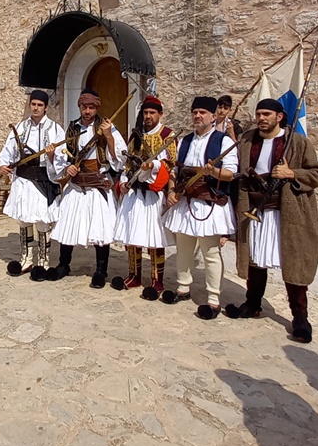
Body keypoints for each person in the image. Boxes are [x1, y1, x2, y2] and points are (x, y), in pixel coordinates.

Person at [226, 98, 318, 343]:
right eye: (259, 113)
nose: (261, 118)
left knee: (293, 263)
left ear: (279, 116)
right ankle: (253, 304)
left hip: (287, 213)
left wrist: (292, 173)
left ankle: (300, 318)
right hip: (255, 210)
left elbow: (317, 174)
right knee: (255, 261)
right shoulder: (247, 140)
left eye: (267, 114)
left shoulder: (297, 142)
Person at [162, 96, 238, 319]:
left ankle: (213, 299)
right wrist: (171, 191)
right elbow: (176, 171)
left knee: (211, 253)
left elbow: (231, 174)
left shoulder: (223, 142)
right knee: (183, 248)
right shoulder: (184, 141)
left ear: (213, 117)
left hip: (210, 204)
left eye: (203, 112)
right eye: (195, 112)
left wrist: (213, 172)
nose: (197, 116)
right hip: (186, 202)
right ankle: (183, 288)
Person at [45, 88, 126, 287]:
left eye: (91, 107)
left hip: (98, 182)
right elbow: (65, 155)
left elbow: (120, 157)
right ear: (79, 107)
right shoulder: (72, 128)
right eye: (84, 107)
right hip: (77, 182)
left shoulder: (107, 126)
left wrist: (108, 136)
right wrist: (66, 166)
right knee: (68, 224)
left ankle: (101, 269)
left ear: (96, 108)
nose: (87, 111)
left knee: (101, 228)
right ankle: (64, 264)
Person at [112, 95, 176, 299]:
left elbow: (172, 164)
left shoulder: (167, 135)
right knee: (132, 235)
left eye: (152, 113)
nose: (148, 116)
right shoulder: (135, 135)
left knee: (153, 237)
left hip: (153, 194)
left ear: (160, 114)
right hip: (134, 191)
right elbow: (128, 164)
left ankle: (157, 280)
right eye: (146, 113)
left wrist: (154, 165)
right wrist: (123, 182)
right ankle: (134, 275)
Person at [0, 89, 64, 281]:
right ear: (30, 105)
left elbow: (62, 157)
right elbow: (8, 150)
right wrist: (3, 163)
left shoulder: (54, 129)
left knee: (42, 221)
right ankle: (26, 260)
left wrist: (52, 155)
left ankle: (43, 262)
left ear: (46, 108)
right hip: (23, 181)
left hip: (42, 180)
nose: (35, 108)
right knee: (24, 220)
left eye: (39, 105)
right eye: (33, 104)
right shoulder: (20, 127)